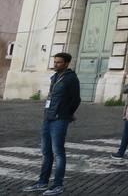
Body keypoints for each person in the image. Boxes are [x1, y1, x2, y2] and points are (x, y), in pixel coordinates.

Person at [22, 52, 80, 195]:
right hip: (48, 118)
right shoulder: (54, 77)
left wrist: (67, 114)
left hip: (59, 120)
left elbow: (76, 99)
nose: (55, 65)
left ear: (66, 64)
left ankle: (58, 184)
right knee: (46, 151)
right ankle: (42, 182)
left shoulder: (71, 79)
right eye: (54, 62)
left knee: (58, 152)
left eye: (58, 62)